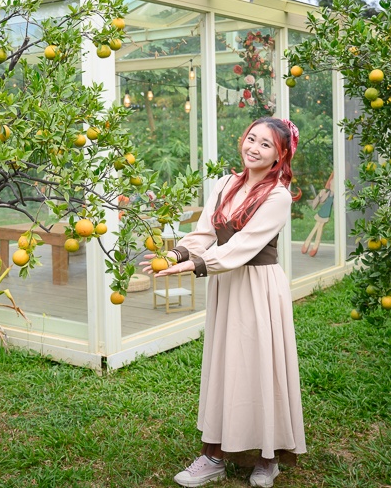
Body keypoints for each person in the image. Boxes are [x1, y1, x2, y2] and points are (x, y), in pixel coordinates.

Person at [142, 117, 306, 488]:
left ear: (280, 156)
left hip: (259, 287)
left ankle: (268, 457)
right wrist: (175, 255)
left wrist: (196, 266)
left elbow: (240, 248)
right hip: (226, 284)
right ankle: (213, 455)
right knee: (227, 364)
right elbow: (203, 233)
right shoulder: (225, 184)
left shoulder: (278, 196)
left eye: (266, 145)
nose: (254, 148)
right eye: (251, 139)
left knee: (261, 364)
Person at [301, 171, 334, 257]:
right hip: (322, 212)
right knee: (317, 228)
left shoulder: (335, 196)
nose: (332, 184)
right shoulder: (328, 193)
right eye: (331, 182)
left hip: (326, 213)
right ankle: (312, 246)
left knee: (318, 228)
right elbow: (322, 200)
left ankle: (309, 244)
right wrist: (320, 195)